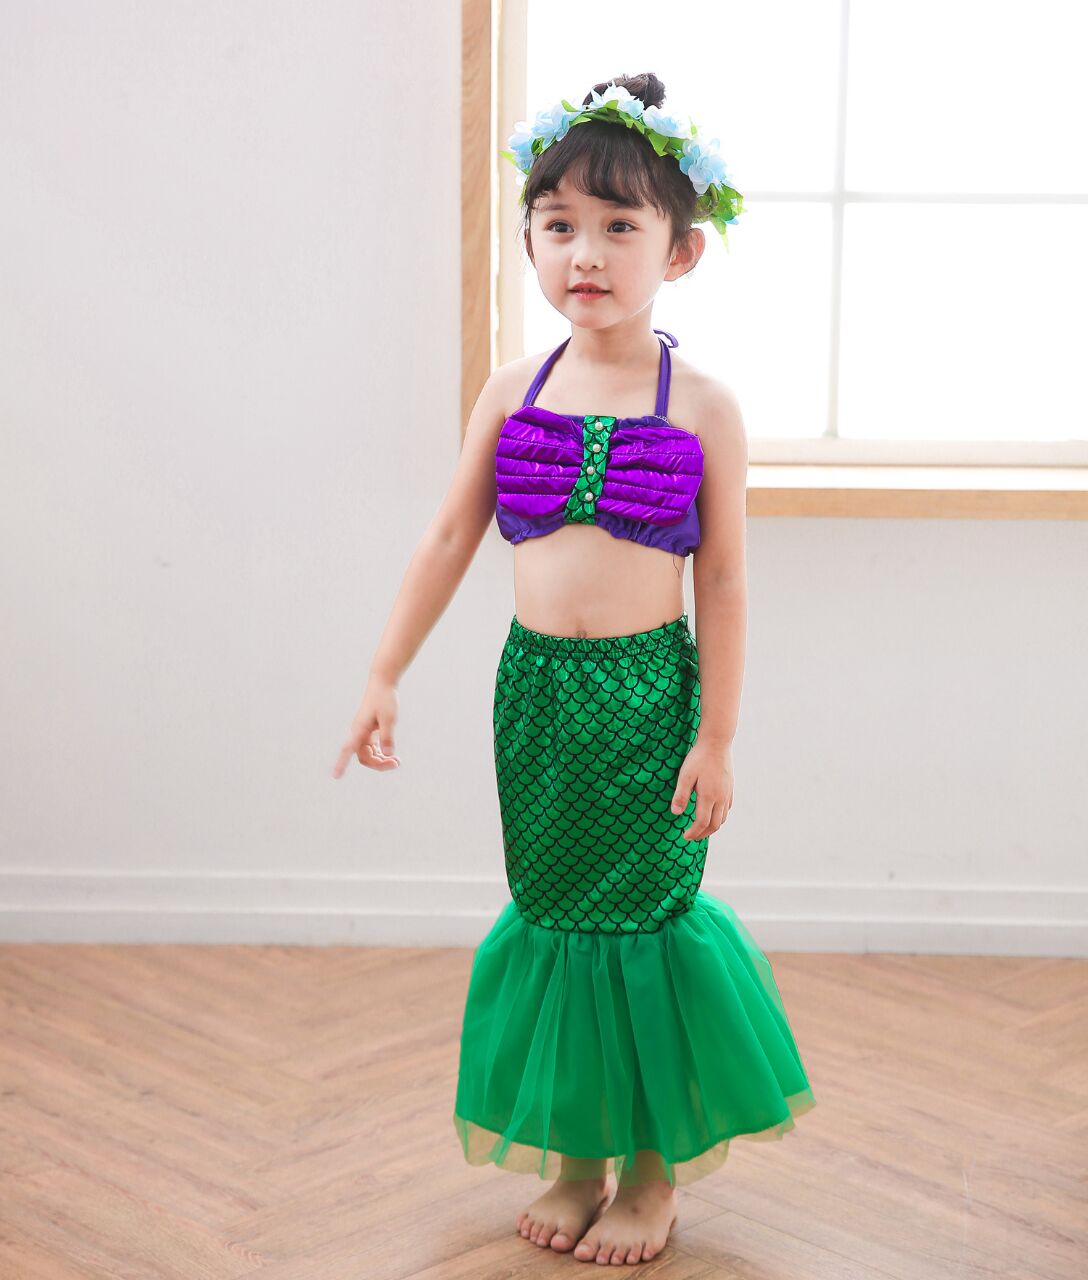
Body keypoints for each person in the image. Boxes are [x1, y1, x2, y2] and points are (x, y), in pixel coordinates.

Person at [333, 71, 815, 1268]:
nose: (584, 253)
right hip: (537, 698)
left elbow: (724, 582)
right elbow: (449, 536)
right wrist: (383, 670)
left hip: (648, 700)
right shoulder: (515, 390)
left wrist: (715, 736)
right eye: (557, 225)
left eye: (617, 225)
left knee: (644, 919)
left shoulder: (702, 405)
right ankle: (575, 1155)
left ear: (678, 250)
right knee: (554, 915)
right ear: (530, 242)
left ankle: (649, 1171)